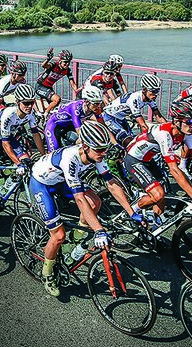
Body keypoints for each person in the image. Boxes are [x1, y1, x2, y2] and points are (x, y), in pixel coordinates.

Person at [29, 121, 135, 297]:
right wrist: (99, 230)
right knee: (58, 235)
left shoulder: (96, 154)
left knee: (95, 202)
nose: (104, 153)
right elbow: (79, 199)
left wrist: (132, 212)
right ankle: (47, 273)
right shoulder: (70, 158)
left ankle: (76, 239)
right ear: (85, 147)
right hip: (42, 184)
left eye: (105, 149)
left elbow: (112, 184)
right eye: (99, 150)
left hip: (61, 180)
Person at [120, 99, 192, 227]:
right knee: (158, 194)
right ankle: (130, 211)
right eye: (189, 122)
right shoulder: (164, 134)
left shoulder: (185, 133)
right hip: (133, 159)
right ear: (177, 121)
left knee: (163, 194)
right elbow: (174, 169)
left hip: (148, 160)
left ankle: (155, 229)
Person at [0, 83, 46, 217]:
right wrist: (17, 163)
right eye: (26, 103)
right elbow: (5, 145)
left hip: (9, 137)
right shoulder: (9, 114)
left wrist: (44, 155)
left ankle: (6, 185)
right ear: (18, 102)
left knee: (26, 161)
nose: (29, 106)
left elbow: (36, 135)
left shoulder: (30, 113)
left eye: (31, 102)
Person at [101, 74, 166, 147]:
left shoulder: (150, 99)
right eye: (153, 91)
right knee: (128, 142)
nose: (156, 94)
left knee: (133, 140)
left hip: (121, 118)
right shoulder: (134, 99)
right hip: (109, 117)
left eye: (157, 91)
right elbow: (143, 125)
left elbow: (159, 118)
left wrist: (169, 130)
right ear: (144, 90)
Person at [43, 84, 109, 152]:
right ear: (86, 101)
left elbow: (103, 126)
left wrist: (111, 142)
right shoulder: (75, 108)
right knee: (53, 153)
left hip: (68, 125)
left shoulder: (95, 108)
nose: (98, 106)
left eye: (99, 103)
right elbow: (78, 129)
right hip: (53, 125)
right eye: (96, 103)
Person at [35, 48, 79, 116]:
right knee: (57, 99)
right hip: (40, 86)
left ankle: (46, 114)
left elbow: (73, 84)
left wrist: (78, 92)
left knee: (57, 103)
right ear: (60, 61)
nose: (67, 64)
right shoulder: (54, 65)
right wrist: (48, 59)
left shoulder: (67, 70)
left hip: (48, 88)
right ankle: (45, 115)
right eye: (65, 62)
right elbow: (43, 65)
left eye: (69, 62)